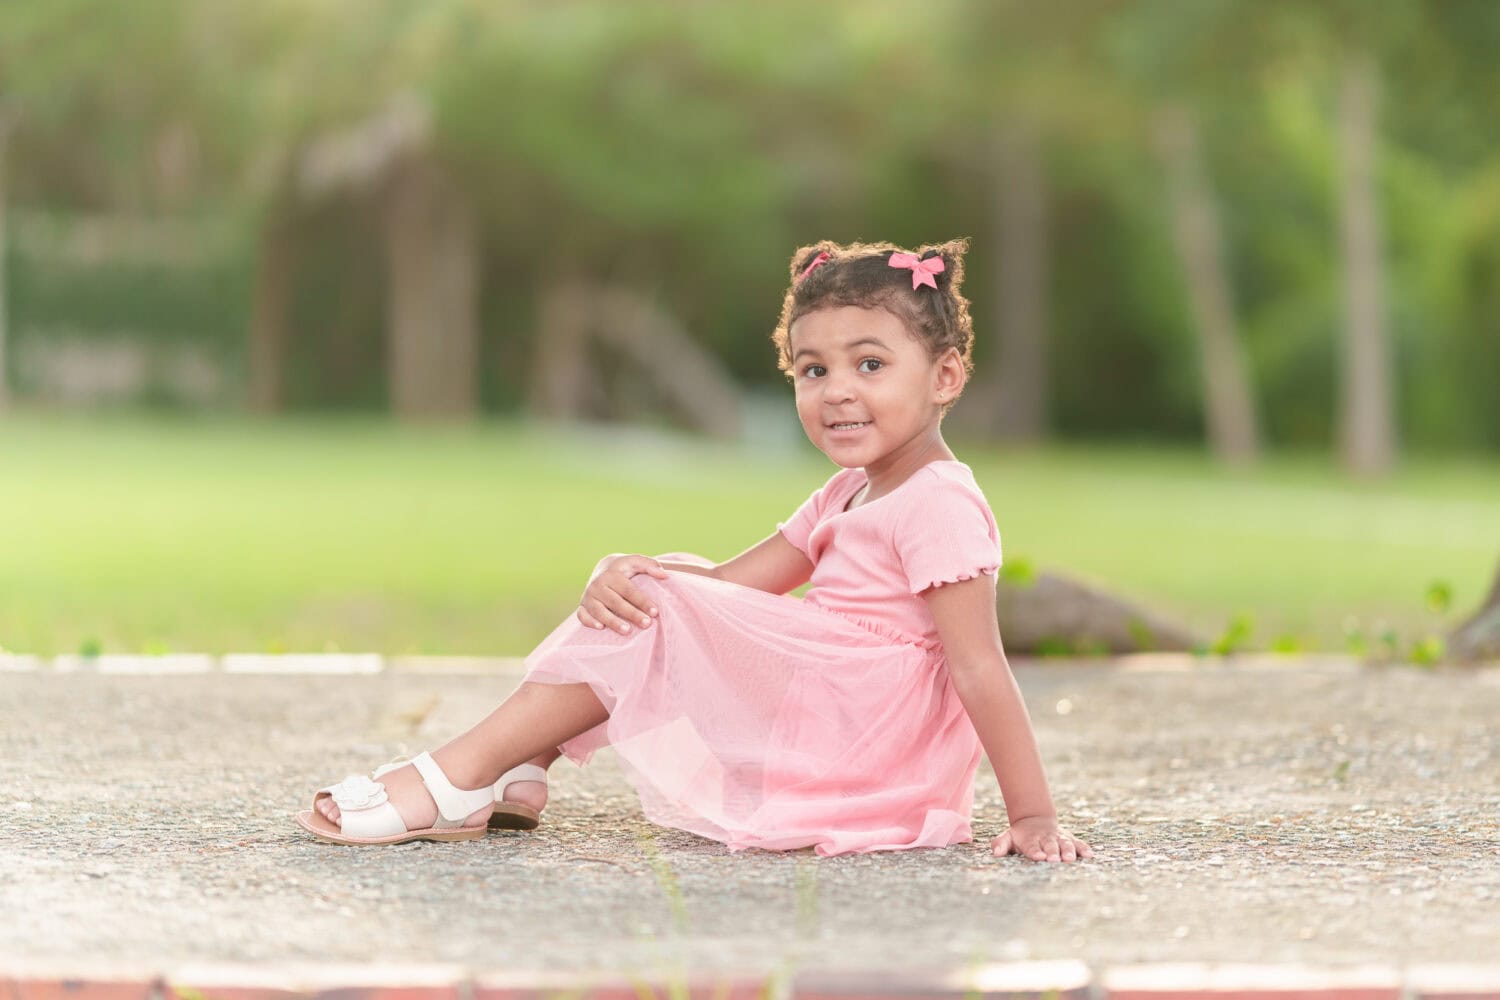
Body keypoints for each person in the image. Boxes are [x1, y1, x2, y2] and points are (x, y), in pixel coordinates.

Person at [296, 238, 1093, 863]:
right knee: (659, 579)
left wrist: (1032, 816)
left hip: (862, 754)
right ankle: (515, 765)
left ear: (946, 375)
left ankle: (459, 775)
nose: (837, 390)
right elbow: (729, 588)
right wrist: (625, 574)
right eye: (813, 369)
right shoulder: (848, 490)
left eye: (871, 365)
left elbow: (980, 666)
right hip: (821, 713)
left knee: (664, 595)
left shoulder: (940, 501)